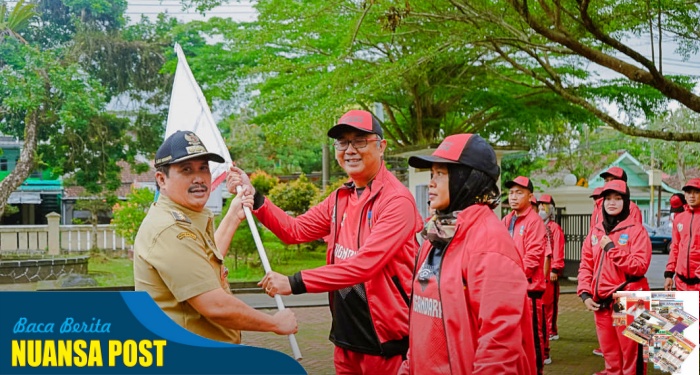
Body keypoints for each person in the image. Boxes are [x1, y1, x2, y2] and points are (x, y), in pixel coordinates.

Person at [228, 110, 423, 374]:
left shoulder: (396, 202)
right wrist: (257, 198)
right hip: (346, 340)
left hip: (386, 346)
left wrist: (293, 282)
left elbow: (363, 266)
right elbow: (294, 230)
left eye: (360, 141)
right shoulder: (341, 198)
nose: (350, 150)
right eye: (342, 143)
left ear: (381, 146)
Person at [133, 130, 298, 344]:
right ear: (161, 179)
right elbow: (214, 305)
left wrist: (232, 216)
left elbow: (204, 263)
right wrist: (274, 323)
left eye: (203, 168)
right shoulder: (171, 229)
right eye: (186, 170)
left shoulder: (186, 217)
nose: (199, 178)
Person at [397, 133, 535, 375]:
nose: (431, 182)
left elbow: (499, 346)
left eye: (440, 174)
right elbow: (423, 322)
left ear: (467, 179)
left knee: (626, 338)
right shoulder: (436, 234)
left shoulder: (490, 244)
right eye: (432, 174)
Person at [577, 179, 651, 375]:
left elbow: (639, 266)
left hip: (629, 300)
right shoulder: (595, 231)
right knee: (611, 357)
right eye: (607, 198)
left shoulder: (637, 231)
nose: (611, 202)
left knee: (632, 358)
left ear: (626, 202)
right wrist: (585, 293)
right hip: (601, 302)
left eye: (617, 198)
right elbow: (586, 265)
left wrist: (612, 249)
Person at [502, 176, 548, 372]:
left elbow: (533, 257)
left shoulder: (534, 222)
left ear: (530, 197)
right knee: (514, 340)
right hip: (511, 290)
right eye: (511, 192)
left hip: (529, 292)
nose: (513, 197)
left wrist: (510, 278)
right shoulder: (507, 219)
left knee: (533, 342)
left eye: (519, 193)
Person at [664, 178, 700, 292]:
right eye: (689, 192)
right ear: (685, 195)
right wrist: (669, 274)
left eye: (696, 192)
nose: (692, 196)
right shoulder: (679, 219)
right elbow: (675, 247)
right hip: (681, 282)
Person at [538, 194, 564, 343]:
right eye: (540, 205)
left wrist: (555, 268)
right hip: (540, 269)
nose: (542, 208)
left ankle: (551, 329)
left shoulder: (555, 228)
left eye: (545, 205)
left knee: (550, 302)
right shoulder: (539, 226)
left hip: (550, 270)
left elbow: (558, 249)